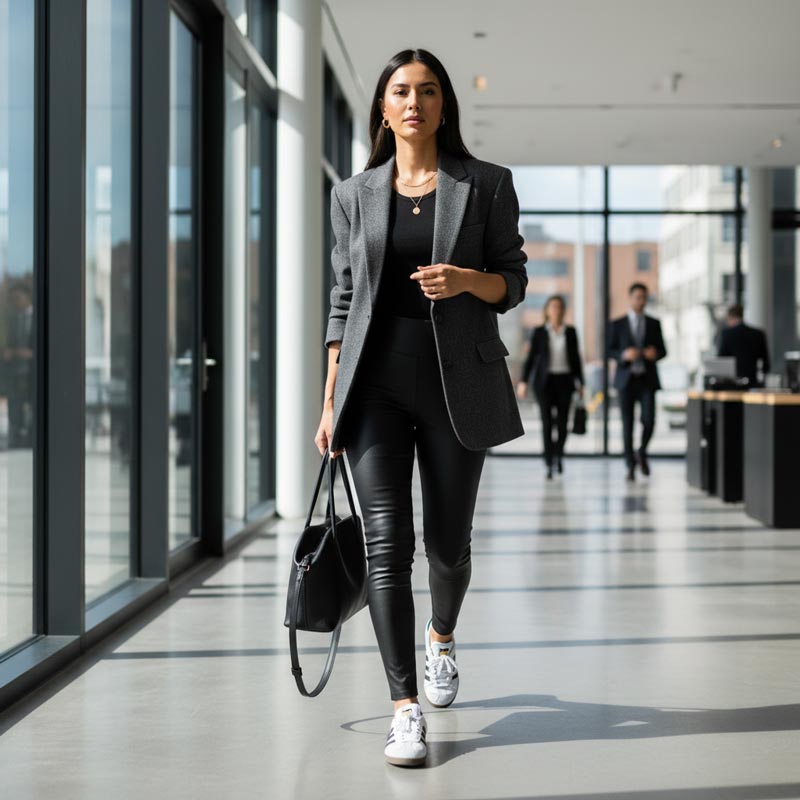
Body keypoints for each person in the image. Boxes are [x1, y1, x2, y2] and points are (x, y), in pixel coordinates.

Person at [314, 48, 528, 767]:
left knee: (446, 546)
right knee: (386, 546)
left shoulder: (486, 185)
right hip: (372, 384)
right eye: (401, 91)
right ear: (382, 107)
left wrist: (469, 279)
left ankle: (441, 636)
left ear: (444, 106)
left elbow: (514, 281)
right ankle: (404, 708)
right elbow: (343, 301)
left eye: (428, 91)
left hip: (454, 382)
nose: (414, 102)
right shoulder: (351, 196)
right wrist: (329, 397)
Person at [516, 295, 584, 479]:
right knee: (547, 423)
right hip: (544, 383)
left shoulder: (570, 332)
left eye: (560, 307)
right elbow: (530, 360)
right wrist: (523, 382)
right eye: (553, 307)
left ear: (564, 310)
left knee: (562, 424)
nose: (557, 310)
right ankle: (548, 461)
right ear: (547, 310)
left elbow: (576, 360)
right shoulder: (538, 332)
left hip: (565, 382)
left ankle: (558, 456)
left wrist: (581, 383)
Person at [607, 283, 667, 482]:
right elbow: (609, 350)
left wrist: (655, 354)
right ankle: (630, 465)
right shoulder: (617, 324)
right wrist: (624, 354)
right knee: (627, 425)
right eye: (638, 297)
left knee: (649, 421)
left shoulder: (654, 323)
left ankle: (641, 452)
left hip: (647, 380)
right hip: (626, 380)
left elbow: (663, 350)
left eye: (644, 297)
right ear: (631, 298)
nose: (641, 301)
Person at [717, 304, 770, 387]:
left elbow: (721, 360)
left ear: (731, 317)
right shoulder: (758, 334)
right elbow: (766, 365)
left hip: (732, 384)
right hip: (753, 383)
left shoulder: (727, 334)